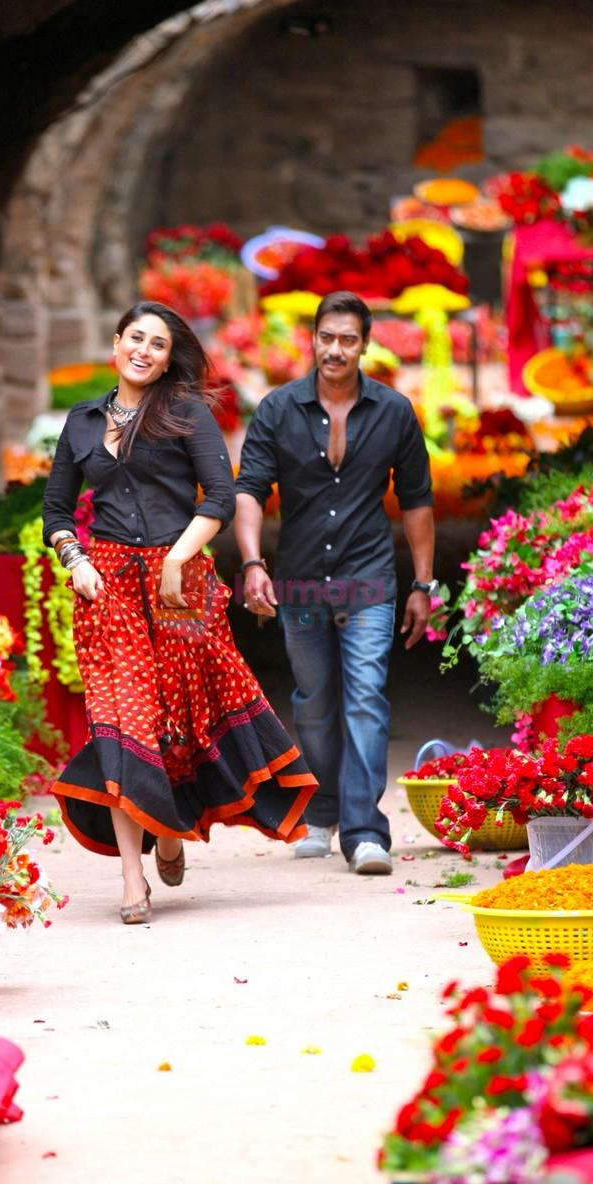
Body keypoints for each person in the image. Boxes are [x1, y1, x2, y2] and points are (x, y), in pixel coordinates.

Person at [43, 301, 316, 924]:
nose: (144, 350)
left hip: (182, 590)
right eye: (134, 338)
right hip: (107, 588)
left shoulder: (187, 413)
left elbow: (220, 496)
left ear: (169, 358)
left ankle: (172, 825)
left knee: (177, 722)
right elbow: (56, 512)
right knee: (121, 723)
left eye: (158, 344)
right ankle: (132, 882)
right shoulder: (81, 422)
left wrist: (176, 558)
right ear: (115, 344)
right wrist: (75, 560)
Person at [234, 291, 437, 876]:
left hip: (368, 578)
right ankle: (321, 809)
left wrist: (424, 584)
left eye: (349, 339)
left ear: (365, 346)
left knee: (367, 700)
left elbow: (417, 501)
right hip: (299, 582)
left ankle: (366, 831)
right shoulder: (277, 409)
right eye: (327, 337)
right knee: (316, 706)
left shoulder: (394, 411)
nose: (336, 349)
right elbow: (250, 490)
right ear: (314, 340)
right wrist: (252, 563)